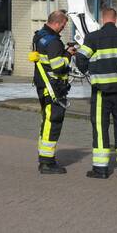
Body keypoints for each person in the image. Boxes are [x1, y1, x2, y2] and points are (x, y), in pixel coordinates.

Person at [75, 7, 117, 179]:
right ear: (116, 19)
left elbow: (80, 58)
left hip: (101, 91)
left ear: (102, 19)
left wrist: (89, 71)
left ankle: (100, 169)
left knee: (101, 129)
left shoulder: (93, 37)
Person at [33, 10, 74, 174]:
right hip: (53, 89)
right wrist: (68, 54)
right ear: (57, 23)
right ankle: (47, 163)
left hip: (43, 86)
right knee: (53, 122)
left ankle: (44, 157)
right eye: (63, 25)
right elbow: (58, 67)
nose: (63, 28)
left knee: (46, 122)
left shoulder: (39, 36)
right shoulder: (54, 42)